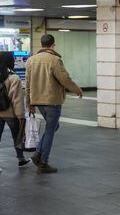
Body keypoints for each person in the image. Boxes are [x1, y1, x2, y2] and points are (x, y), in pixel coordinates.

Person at [26, 34, 83, 174]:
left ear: (42, 44)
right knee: (51, 129)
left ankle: (38, 153)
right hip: (52, 101)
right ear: (53, 45)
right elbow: (64, 78)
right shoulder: (55, 60)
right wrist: (76, 89)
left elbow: (27, 83)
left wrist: (29, 102)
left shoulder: (31, 60)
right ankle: (43, 162)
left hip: (38, 100)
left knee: (54, 126)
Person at [0, 52, 30, 172]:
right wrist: (21, 116)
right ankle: (21, 159)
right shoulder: (14, 78)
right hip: (10, 113)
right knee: (17, 136)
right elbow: (17, 100)